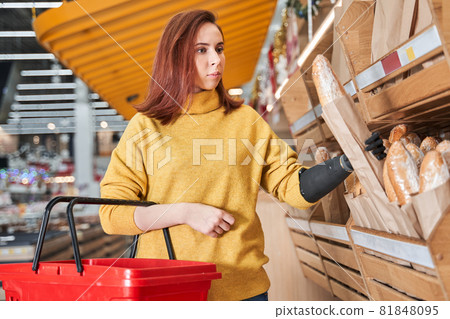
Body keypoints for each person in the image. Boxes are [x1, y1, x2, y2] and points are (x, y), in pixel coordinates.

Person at [99, 9, 385, 301]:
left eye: (219, 49)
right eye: (202, 50)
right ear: (175, 56)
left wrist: (345, 162)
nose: (216, 59)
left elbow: (293, 188)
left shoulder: (245, 120)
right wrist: (184, 212)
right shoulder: (146, 127)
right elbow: (111, 215)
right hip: (170, 292)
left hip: (244, 293)